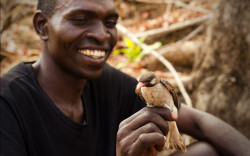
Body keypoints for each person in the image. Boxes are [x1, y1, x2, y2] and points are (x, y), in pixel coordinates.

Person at [0, 0, 249, 155]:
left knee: (207, 151)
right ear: (42, 26)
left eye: (110, 22)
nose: (101, 34)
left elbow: (198, 123)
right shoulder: (8, 102)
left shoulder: (107, 82)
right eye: (80, 20)